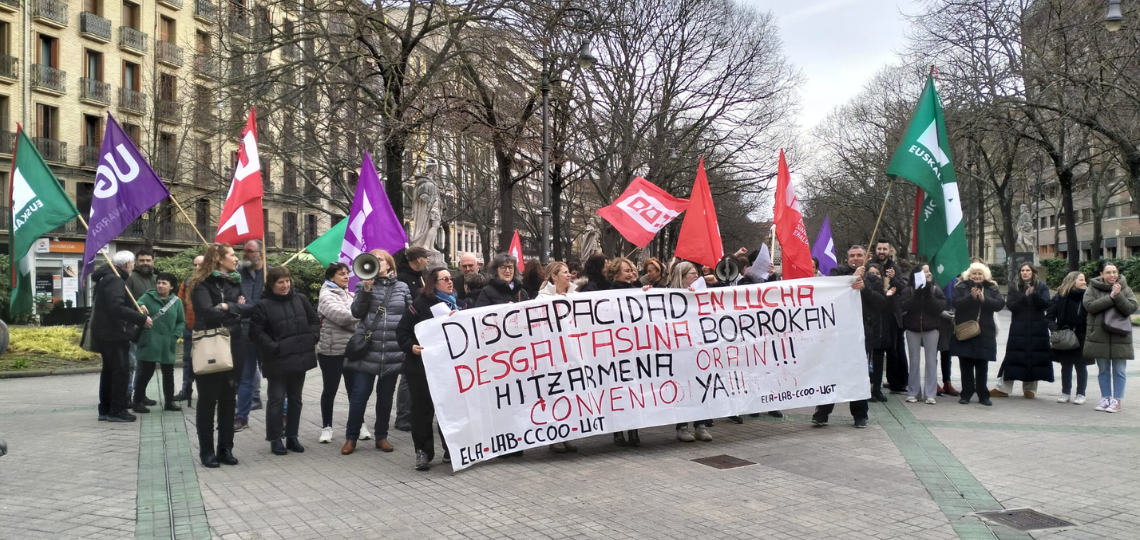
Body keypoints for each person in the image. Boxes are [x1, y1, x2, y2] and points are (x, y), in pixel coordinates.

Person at [190, 243, 253, 468]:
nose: (236, 259)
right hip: (211, 344)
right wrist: (236, 310)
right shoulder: (201, 283)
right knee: (207, 400)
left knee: (228, 399)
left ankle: (225, 449)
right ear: (219, 259)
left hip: (234, 345)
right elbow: (206, 312)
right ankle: (207, 452)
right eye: (232, 255)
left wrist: (227, 307)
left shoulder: (236, 281)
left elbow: (250, 308)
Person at [396, 267, 466, 471]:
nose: (450, 282)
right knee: (422, 411)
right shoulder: (419, 305)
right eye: (444, 279)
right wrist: (411, 346)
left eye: (450, 278)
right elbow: (402, 330)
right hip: (421, 368)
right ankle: (423, 452)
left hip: (450, 369)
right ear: (433, 283)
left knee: (450, 411)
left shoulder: (461, 305)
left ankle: (451, 450)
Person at [343, 251, 411, 455]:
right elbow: (356, 313)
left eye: (380, 259)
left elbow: (409, 315)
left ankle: (381, 436)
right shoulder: (361, 285)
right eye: (372, 259)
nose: (375, 262)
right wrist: (366, 289)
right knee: (359, 396)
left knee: (385, 398)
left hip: (392, 351)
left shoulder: (402, 287)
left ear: (389, 265)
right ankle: (351, 437)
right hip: (368, 350)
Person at [249, 266, 320, 456]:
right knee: (276, 400)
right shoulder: (263, 305)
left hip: (299, 357)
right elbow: (255, 332)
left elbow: (314, 320)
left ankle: (292, 436)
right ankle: (275, 439)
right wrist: (273, 347)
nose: (285, 285)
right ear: (272, 284)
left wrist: (312, 337)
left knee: (296, 400)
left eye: (287, 281)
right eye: (280, 282)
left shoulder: (300, 299)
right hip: (277, 361)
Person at [813, 245, 875, 428]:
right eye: (852, 256)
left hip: (861, 334)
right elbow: (830, 290)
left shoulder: (872, 277)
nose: (855, 258)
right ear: (847, 258)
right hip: (838, 332)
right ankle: (822, 413)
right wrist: (851, 278)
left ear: (866, 257)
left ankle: (860, 415)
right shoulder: (837, 272)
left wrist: (865, 289)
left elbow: (879, 303)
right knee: (831, 371)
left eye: (859, 256)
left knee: (858, 374)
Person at [93, 251, 153, 423]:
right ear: (128, 264)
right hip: (114, 334)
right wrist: (140, 318)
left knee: (109, 372)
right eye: (133, 263)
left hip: (106, 333)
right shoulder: (115, 279)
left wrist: (135, 310)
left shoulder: (107, 277)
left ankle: (105, 409)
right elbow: (116, 307)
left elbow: (114, 305)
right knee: (120, 372)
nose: (133, 266)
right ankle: (117, 410)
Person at [664, 260, 716, 441]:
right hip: (681, 351)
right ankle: (682, 427)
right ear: (682, 276)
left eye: (696, 273)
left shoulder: (702, 292)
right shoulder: (669, 295)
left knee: (702, 386)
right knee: (684, 388)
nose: (696, 276)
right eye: (691, 274)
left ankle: (701, 425)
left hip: (700, 349)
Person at [316, 262, 363, 445]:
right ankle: (327, 427)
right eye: (341, 274)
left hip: (350, 350)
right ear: (331, 277)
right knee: (330, 389)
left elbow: (349, 315)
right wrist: (360, 317)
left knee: (355, 390)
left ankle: (359, 424)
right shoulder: (326, 295)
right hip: (331, 351)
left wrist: (355, 317)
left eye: (347, 273)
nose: (346, 276)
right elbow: (342, 317)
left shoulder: (348, 293)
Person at [537, 261, 581, 453]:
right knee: (554, 394)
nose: (569, 275)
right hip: (552, 354)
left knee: (570, 393)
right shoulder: (542, 297)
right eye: (564, 272)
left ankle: (568, 433)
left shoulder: (576, 295)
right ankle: (553, 436)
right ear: (554, 276)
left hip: (572, 352)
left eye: (568, 272)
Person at [1083, 261, 1138, 413]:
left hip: (1120, 336)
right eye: (1108, 272)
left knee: (1119, 370)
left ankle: (1117, 400)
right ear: (1101, 274)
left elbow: (1131, 308)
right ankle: (1105, 398)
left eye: (1114, 272)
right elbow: (1089, 306)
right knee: (1103, 370)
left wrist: (1118, 295)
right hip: (1099, 336)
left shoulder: (1124, 288)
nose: (1112, 275)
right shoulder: (1092, 288)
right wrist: (1110, 297)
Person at [992, 263, 1052, 399]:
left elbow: (1046, 304)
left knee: (1034, 356)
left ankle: (1030, 389)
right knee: (1013, 356)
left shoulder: (1041, 287)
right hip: (1018, 327)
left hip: (1037, 328)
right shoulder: (1015, 288)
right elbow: (1011, 306)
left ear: (1033, 272)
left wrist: (1035, 294)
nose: (1025, 273)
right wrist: (1024, 296)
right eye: (1022, 271)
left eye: (1027, 270)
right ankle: (1003, 388)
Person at [949, 262, 1005, 406]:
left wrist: (983, 300)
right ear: (969, 275)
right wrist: (971, 298)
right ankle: (966, 393)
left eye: (980, 274)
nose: (977, 276)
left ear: (984, 275)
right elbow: (956, 303)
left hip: (985, 332)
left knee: (982, 365)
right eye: (974, 273)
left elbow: (999, 305)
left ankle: (983, 395)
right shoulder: (960, 287)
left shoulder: (991, 288)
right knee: (965, 364)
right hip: (966, 330)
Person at [132, 273, 186, 413]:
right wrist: (141, 306)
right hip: (149, 340)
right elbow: (136, 304)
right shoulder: (149, 296)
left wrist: (175, 335)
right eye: (159, 283)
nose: (160, 286)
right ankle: (137, 401)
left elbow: (181, 320)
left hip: (167, 342)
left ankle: (169, 402)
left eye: (164, 283)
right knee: (146, 373)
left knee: (168, 373)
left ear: (171, 286)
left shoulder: (176, 301)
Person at [605, 257, 644, 447]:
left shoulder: (638, 291)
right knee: (618, 390)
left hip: (635, 348)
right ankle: (618, 431)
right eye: (626, 270)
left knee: (634, 390)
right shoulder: (610, 293)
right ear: (616, 273)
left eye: (631, 270)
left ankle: (633, 429)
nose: (630, 273)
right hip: (617, 350)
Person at [393, 246, 429, 431]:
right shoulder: (403, 279)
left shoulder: (420, 277)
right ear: (417, 259)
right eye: (425, 257)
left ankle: (413, 413)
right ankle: (403, 416)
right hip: (409, 334)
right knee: (407, 377)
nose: (428, 260)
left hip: (422, 333)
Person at [900, 265, 946, 404]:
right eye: (924, 271)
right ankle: (914, 392)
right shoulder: (908, 290)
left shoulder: (934, 289)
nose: (928, 273)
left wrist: (928, 294)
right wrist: (917, 295)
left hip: (931, 329)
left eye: (928, 271)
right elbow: (905, 307)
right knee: (914, 361)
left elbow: (939, 308)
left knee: (931, 361)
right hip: (912, 329)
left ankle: (930, 393)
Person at [234, 239, 267, 433]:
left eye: (249, 251)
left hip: (267, 332)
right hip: (246, 333)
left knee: (275, 374)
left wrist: (246, 306)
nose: (245, 254)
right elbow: (231, 301)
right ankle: (241, 416)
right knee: (246, 377)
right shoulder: (237, 275)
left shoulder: (271, 274)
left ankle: (283, 413)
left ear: (260, 254)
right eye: (244, 251)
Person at [1047, 271, 1089, 404]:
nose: (1084, 282)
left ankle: (1081, 393)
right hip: (1064, 336)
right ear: (1072, 281)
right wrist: (1056, 330)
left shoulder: (1088, 296)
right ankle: (1065, 392)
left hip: (1082, 335)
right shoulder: (1060, 296)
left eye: (1084, 280)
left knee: (1081, 365)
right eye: (1081, 280)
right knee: (1066, 365)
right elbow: (1049, 317)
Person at [125, 249, 157, 403]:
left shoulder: (157, 279)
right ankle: (127, 395)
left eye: (148, 260)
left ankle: (140, 394)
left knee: (145, 364)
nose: (145, 263)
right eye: (142, 260)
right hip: (133, 326)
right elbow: (126, 300)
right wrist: (138, 308)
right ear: (136, 262)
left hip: (151, 327)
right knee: (131, 362)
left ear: (153, 262)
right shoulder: (130, 278)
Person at [864, 263, 898, 402]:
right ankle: (865, 389)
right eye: (871, 273)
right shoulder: (864, 288)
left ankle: (877, 389)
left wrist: (889, 297)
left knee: (878, 362)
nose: (874, 277)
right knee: (865, 361)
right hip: (868, 328)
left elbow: (894, 310)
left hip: (881, 330)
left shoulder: (888, 288)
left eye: (877, 274)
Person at [173, 255, 204, 406]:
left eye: (200, 265)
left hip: (206, 329)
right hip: (190, 327)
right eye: (195, 265)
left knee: (207, 361)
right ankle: (186, 389)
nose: (197, 268)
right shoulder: (186, 282)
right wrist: (184, 322)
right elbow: (180, 303)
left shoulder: (212, 282)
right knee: (187, 360)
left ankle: (206, 391)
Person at [937, 276, 960, 397]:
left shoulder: (954, 279)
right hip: (935, 320)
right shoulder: (933, 276)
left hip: (950, 321)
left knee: (947, 353)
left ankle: (947, 381)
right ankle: (932, 382)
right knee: (933, 354)